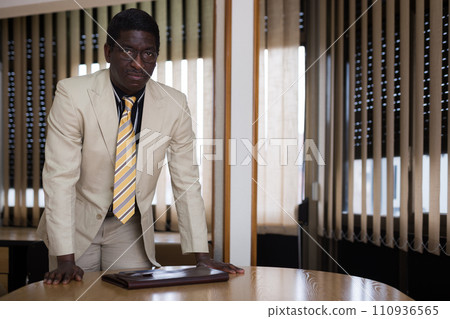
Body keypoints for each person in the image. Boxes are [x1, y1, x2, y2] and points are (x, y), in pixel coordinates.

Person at [37, 8, 243, 285]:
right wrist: (65, 259)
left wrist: (202, 257)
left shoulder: (174, 103)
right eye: (127, 51)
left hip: (129, 227)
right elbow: (59, 177)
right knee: (73, 300)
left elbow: (186, 181)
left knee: (132, 302)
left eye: (148, 53)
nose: (138, 63)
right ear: (108, 52)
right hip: (77, 222)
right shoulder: (72, 93)